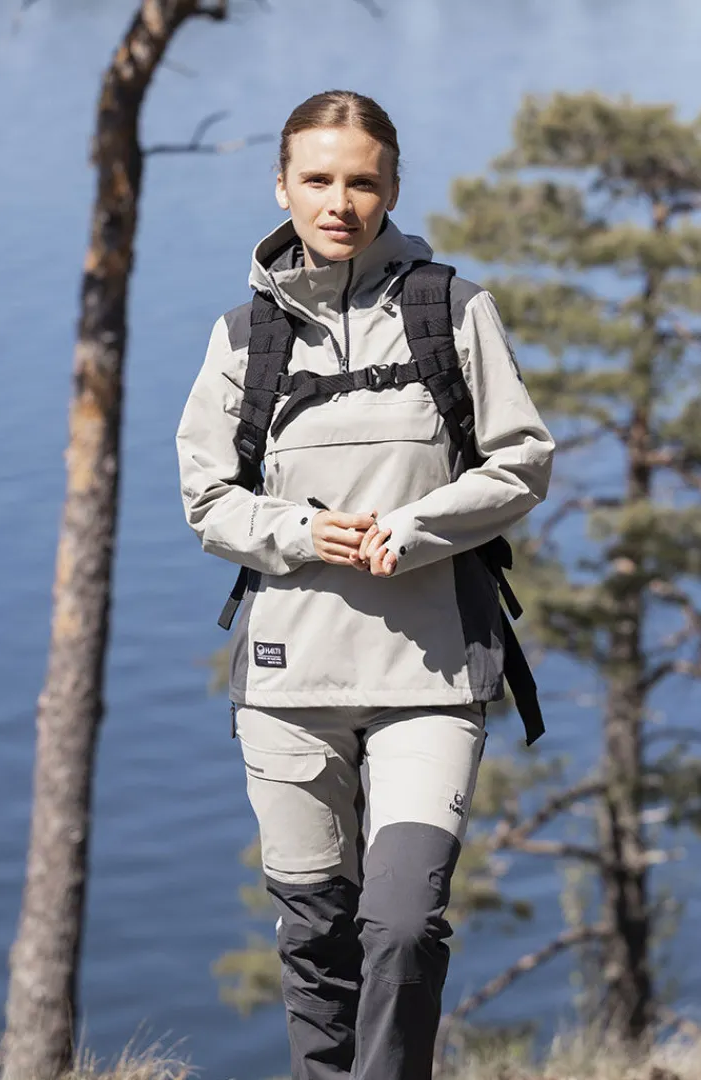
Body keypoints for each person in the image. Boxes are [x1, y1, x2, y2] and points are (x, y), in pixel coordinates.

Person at [176, 90, 555, 1080]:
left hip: (430, 677)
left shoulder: (451, 311)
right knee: (316, 941)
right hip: (289, 687)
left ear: (391, 188)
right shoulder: (244, 339)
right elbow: (208, 500)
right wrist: (302, 531)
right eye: (317, 179)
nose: (338, 202)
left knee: (402, 924)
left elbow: (522, 461)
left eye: (361, 182)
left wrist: (415, 529)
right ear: (282, 186)